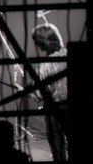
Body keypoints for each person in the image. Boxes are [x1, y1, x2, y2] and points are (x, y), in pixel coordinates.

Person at [31, 23, 68, 161]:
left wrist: (30, 91)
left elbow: (39, 95)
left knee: (59, 152)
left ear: (42, 42)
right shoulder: (72, 55)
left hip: (55, 112)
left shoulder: (45, 65)